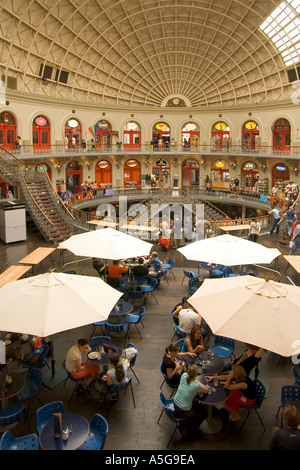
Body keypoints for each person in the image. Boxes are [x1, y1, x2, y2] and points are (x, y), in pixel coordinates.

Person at [173, 364, 208, 438]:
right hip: (183, 411)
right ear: (196, 374)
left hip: (175, 403)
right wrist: (198, 385)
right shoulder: (196, 385)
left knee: (196, 403)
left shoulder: (184, 375)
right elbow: (206, 390)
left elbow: (191, 384)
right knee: (204, 412)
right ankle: (192, 428)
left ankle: (185, 423)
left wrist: (197, 388)